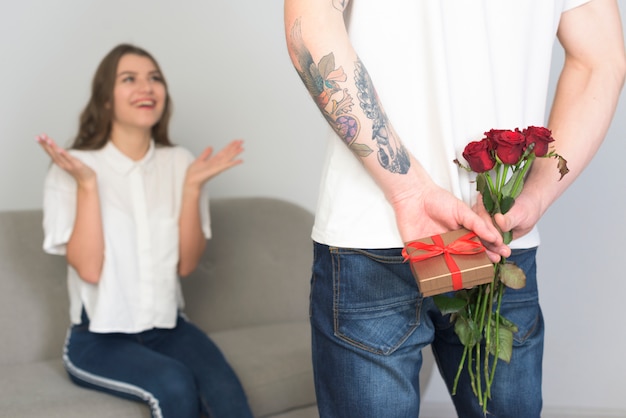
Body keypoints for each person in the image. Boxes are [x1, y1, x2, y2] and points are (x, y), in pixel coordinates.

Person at [284, 0, 625, 417]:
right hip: (483, 233)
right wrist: (531, 194)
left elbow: (308, 25)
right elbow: (600, 60)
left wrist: (410, 190)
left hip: (395, 230)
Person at [37, 43, 254, 418]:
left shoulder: (180, 162)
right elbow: (88, 269)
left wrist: (190, 188)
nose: (147, 87)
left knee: (228, 396)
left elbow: (186, 265)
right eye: (129, 79)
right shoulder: (72, 167)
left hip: (168, 327)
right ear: (106, 99)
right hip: (98, 338)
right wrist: (88, 185)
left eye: (155, 78)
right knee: (174, 384)